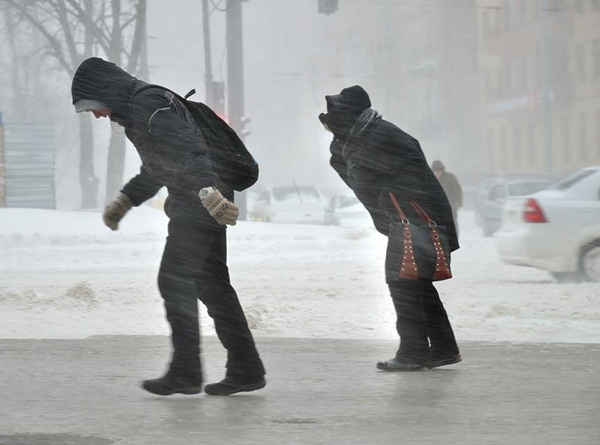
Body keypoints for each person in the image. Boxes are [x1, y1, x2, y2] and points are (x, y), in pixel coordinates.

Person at [71, 57, 265, 396]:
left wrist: (208, 192)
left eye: (94, 107)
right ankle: (245, 367)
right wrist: (126, 199)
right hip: (200, 197)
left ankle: (187, 371)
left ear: (104, 92)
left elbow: (189, 149)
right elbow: (160, 166)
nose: (97, 115)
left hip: (200, 201)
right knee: (212, 284)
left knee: (174, 280)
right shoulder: (135, 110)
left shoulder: (146, 104)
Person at [319, 86, 461, 371]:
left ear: (348, 116)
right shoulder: (368, 134)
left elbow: (363, 179)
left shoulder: (376, 137)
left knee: (403, 282)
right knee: (416, 284)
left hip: (414, 219)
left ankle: (413, 352)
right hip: (411, 218)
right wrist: (341, 145)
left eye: (335, 119)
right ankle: (443, 347)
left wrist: (341, 148)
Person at [431, 160, 463, 235]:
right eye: (435, 171)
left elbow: (457, 190)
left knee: (452, 224)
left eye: (439, 171)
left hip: (450, 206)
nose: (437, 173)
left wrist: (457, 203)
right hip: (435, 208)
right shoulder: (430, 179)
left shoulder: (450, 178)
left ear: (442, 170)